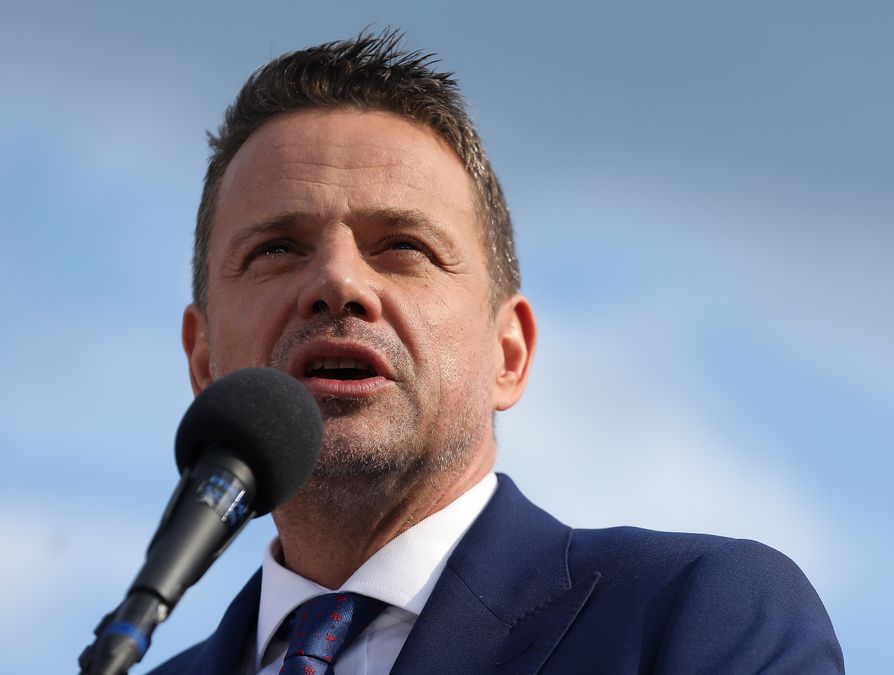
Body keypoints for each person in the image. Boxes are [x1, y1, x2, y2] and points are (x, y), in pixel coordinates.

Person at [152, 31, 844, 674]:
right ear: (204, 360)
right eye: (276, 249)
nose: (338, 282)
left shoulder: (696, 615)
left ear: (508, 354)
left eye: (403, 247)